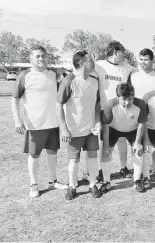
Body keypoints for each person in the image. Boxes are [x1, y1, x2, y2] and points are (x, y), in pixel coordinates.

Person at [11, 46, 68, 198]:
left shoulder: (53, 75)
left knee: (52, 152)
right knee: (34, 155)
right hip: (34, 124)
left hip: (53, 122)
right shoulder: (24, 76)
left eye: (43, 56)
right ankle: (34, 184)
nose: (41, 59)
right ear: (31, 59)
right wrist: (18, 120)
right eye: (37, 56)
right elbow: (14, 99)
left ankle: (53, 181)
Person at [56, 50, 102, 200]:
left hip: (91, 130)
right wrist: (64, 129)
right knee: (73, 160)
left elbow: (97, 103)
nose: (94, 62)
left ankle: (92, 184)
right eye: (91, 59)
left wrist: (98, 121)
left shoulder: (95, 80)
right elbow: (58, 105)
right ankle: (72, 186)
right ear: (82, 63)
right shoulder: (69, 80)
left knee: (93, 156)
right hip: (74, 131)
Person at [94, 41, 136, 180]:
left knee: (122, 140)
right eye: (123, 52)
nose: (125, 55)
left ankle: (123, 168)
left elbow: (140, 73)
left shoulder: (128, 67)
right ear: (116, 52)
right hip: (104, 109)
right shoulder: (98, 65)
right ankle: (102, 170)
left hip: (121, 109)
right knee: (105, 142)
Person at [100, 83, 149, 193]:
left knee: (139, 151)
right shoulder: (109, 105)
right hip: (113, 129)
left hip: (132, 130)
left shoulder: (140, 103)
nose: (127, 103)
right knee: (105, 152)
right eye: (124, 99)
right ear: (118, 97)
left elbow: (142, 123)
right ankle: (106, 181)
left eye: (130, 99)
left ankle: (137, 180)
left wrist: (137, 142)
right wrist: (106, 146)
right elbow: (106, 127)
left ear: (134, 96)